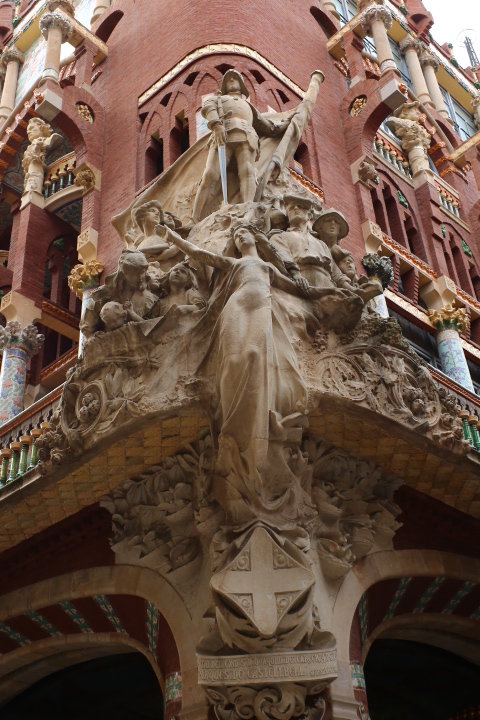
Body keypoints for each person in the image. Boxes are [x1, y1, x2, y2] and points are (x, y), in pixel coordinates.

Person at [156, 221, 310, 522]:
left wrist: (312, 286)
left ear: (255, 237)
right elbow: (200, 254)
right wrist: (172, 236)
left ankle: (252, 435)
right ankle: (227, 421)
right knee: (233, 361)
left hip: (262, 307)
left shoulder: (266, 267)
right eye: (236, 235)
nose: (239, 237)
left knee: (254, 356)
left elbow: (297, 288)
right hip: (236, 308)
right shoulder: (235, 263)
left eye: (244, 233)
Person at [192, 70, 288, 221]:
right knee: (210, 174)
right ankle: (195, 219)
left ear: (241, 85)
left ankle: (248, 211)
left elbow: (269, 127)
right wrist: (216, 124)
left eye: (235, 78)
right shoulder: (218, 99)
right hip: (222, 136)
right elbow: (208, 108)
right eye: (228, 79)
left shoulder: (249, 107)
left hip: (247, 136)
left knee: (247, 171)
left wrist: (288, 122)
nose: (231, 80)